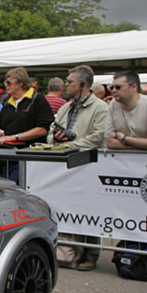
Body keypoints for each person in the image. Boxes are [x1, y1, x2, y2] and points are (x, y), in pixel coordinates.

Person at [50, 64, 109, 271]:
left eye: (70, 82)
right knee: (68, 207)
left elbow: (98, 137)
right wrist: (56, 138)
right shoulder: (66, 106)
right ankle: (70, 251)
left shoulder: (100, 107)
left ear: (83, 84)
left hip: (88, 165)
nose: (66, 85)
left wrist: (69, 144)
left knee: (89, 209)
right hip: (66, 166)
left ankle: (91, 254)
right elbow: (51, 131)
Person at [103, 71, 147, 152]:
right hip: (129, 160)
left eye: (118, 87)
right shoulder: (113, 105)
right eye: (111, 87)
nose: (114, 90)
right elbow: (110, 143)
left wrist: (124, 139)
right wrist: (140, 146)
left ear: (134, 87)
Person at [0, 67, 54, 145]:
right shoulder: (7, 102)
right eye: (5, 83)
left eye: (8, 82)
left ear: (21, 82)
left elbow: (43, 129)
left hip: (31, 151)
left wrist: (14, 137)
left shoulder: (37, 99)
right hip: (9, 151)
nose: (6, 85)